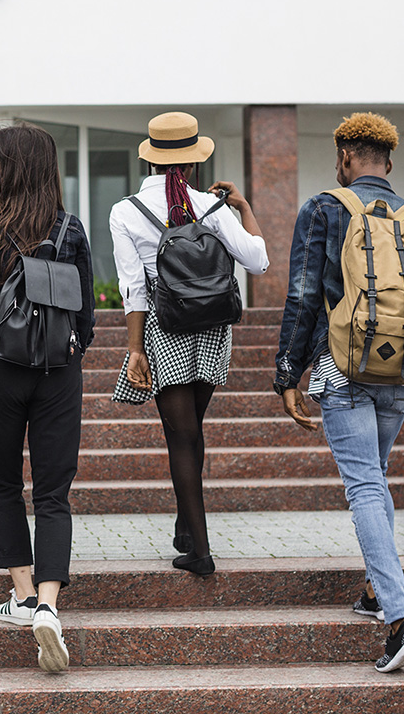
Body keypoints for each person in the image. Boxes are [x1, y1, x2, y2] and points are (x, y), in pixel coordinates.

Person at [274, 111, 404, 672]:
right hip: (403, 379)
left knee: (366, 487)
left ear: (345, 158)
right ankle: (374, 591)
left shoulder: (324, 208)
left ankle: (399, 622)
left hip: (343, 371)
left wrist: (286, 375)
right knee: (378, 477)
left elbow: (300, 297)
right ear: (389, 162)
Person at [0, 122, 94, 673]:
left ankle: (23, 594)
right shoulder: (71, 229)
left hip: (2, 371)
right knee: (54, 491)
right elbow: (87, 321)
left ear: (6, 168)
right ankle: (50, 608)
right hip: (60, 372)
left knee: (4, 482)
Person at [109, 111, 268, 576]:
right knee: (192, 429)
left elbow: (133, 287)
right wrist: (243, 207)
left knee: (181, 436)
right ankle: (185, 528)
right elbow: (258, 261)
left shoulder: (126, 211)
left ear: (153, 160)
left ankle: (200, 551)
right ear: (195, 163)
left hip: (165, 325)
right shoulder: (214, 206)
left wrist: (136, 349)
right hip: (214, 326)